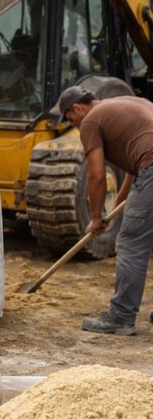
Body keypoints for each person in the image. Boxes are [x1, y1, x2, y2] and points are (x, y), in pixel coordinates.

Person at [58, 85, 153, 335]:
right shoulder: (127, 103)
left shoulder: (91, 121)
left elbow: (97, 176)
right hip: (148, 165)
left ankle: (121, 317)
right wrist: (114, 209)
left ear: (78, 108)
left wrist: (96, 216)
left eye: (70, 118)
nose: (73, 125)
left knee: (131, 242)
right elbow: (134, 168)